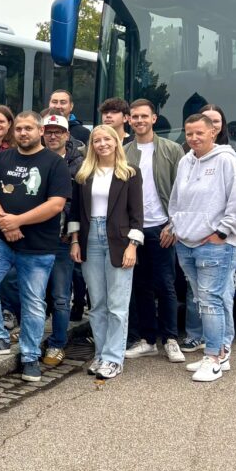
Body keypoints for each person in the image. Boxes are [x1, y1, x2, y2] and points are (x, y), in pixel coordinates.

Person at [0, 111, 70, 383]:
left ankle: (30, 357)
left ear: (40, 131)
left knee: (33, 303)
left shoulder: (54, 163)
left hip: (39, 246)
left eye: (29, 128)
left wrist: (18, 221)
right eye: (19, 129)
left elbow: (56, 204)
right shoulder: (1, 159)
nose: (23, 133)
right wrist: (6, 223)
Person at [168, 114, 236, 382]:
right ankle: (222, 351)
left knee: (211, 301)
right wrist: (176, 227)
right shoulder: (185, 161)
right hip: (186, 244)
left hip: (215, 246)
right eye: (189, 133)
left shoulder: (227, 161)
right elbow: (176, 200)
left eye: (199, 133)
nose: (193, 138)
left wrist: (222, 233)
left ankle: (213, 358)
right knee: (205, 300)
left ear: (213, 132)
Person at [67, 124, 144, 380]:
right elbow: (76, 212)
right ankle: (100, 354)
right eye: (97, 140)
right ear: (92, 145)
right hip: (90, 240)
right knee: (97, 304)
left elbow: (137, 216)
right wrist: (75, 241)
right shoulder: (84, 174)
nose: (102, 144)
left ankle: (114, 358)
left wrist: (133, 246)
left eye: (106, 139)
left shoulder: (130, 173)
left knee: (117, 305)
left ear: (116, 142)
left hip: (120, 242)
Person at [123, 100, 185, 362]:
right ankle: (148, 340)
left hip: (162, 227)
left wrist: (174, 225)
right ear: (128, 120)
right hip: (134, 229)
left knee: (165, 284)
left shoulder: (172, 149)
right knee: (140, 286)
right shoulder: (123, 152)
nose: (139, 121)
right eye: (134, 117)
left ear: (154, 119)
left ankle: (170, 339)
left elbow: (183, 191)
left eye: (144, 116)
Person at [37, 112, 85, 367]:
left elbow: (79, 205)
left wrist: (75, 236)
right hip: (35, 239)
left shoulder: (79, 164)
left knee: (60, 296)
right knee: (33, 294)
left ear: (67, 135)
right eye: (48, 131)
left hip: (63, 239)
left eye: (58, 131)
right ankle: (32, 339)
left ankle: (57, 344)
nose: (53, 135)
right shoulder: (35, 159)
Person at [199, 104, 236, 171]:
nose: (211, 125)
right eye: (206, 121)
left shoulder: (235, 150)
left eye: (216, 121)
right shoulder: (187, 148)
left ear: (222, 124)